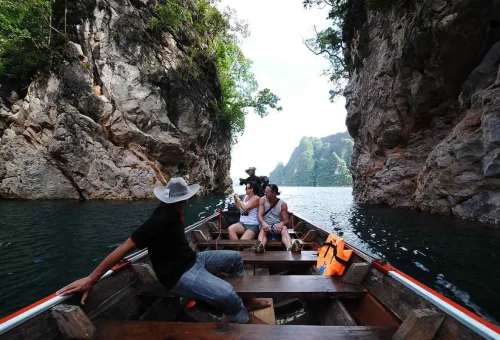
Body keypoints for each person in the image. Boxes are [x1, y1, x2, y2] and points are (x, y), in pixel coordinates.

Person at [56, 177, 269, 324]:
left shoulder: (175, 212)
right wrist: (92, 278)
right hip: (179, 275)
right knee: (227, 293)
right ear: (181, 200)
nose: (187, 200)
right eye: (185, 198)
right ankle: (244, 319)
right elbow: (123, 248)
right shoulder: (158, 220)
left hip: (194, 259)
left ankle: (247, 302)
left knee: (234, 259)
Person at [255, 184, 301, 253]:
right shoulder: (263, 200)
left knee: (284, 229)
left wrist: (281, 224)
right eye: (265, 191)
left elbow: (285, 220)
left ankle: (289, 248)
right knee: (263, 229)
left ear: (274, 193)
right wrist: (263, 223)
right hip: (266, 224)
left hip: (277, 225)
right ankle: (260, 247)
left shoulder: (282, 204)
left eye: (267, 192)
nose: (265, 193)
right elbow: (259, 215)